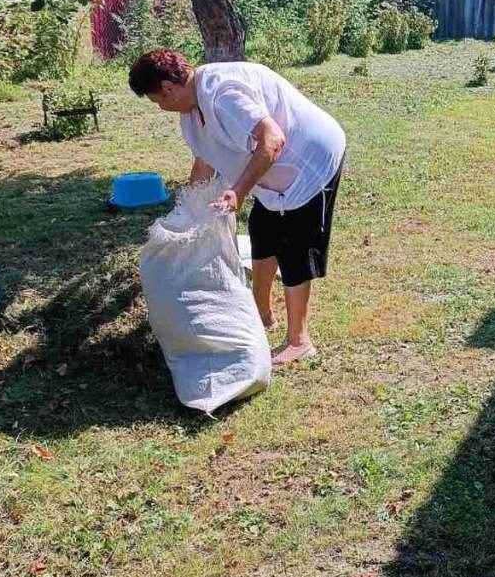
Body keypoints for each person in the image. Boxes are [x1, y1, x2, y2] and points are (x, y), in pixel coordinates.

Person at [129, 49, 346, 365]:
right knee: (262, 230)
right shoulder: (192, 111)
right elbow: (205, 160)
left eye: (157, 101)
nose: (160, 108)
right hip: (276, 173)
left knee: (294, 246)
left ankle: (299, 340)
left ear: (167, 88)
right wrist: (186, 214)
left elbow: (272, 139)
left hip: (311, 160)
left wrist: (238, 191)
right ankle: (263, 314)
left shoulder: (222, 94)